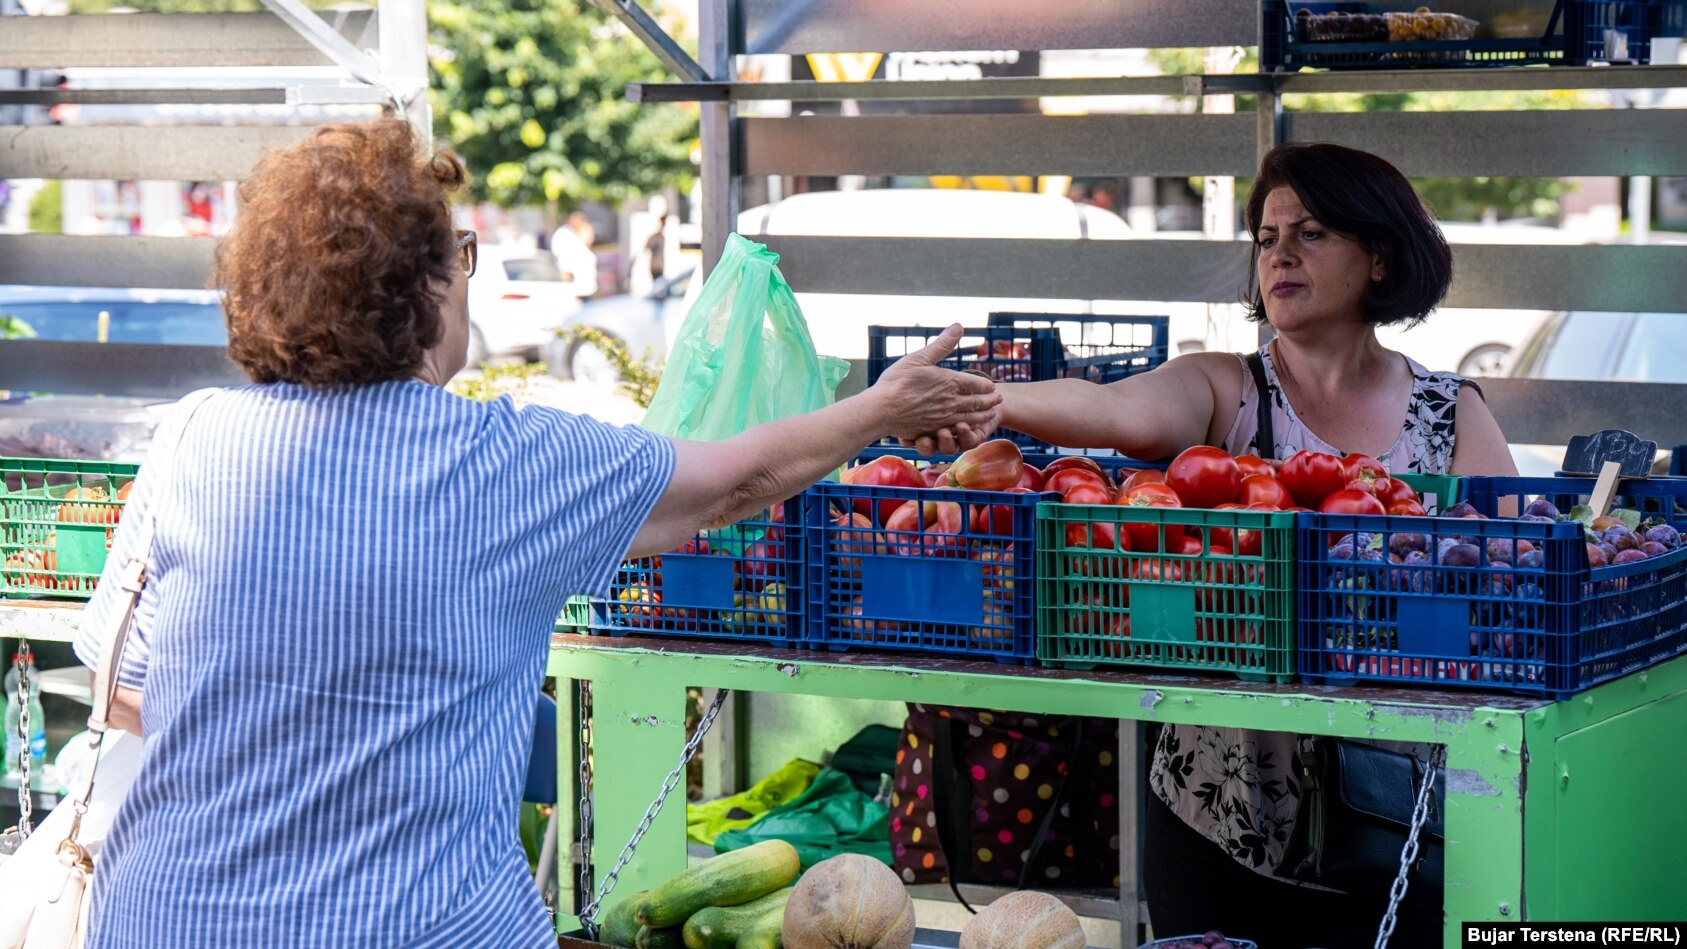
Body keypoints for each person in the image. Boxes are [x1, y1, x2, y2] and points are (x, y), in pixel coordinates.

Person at [72, 117, 998, 949]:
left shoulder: (194, 434)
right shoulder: (505, 462)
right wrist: (880, 408)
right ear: (426, 290)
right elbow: (737, 478)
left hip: (163, 913)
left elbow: (122, 690)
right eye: (460, 255)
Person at [924, 142, 1516, 947]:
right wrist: (993, 402)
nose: (1279, 255)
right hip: (1216, 808)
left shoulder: (1450, 415)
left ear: (1377, 256)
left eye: (1309, 233)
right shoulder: (1227, 391)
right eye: (1267, 238)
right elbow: (1109, 409)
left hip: (1394, 818)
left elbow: (1511, 580)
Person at [549, 209, 599, 299]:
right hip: (574, 289)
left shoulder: (576, 235)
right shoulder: (564, 235)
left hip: (586, 288)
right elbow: (563, 260)